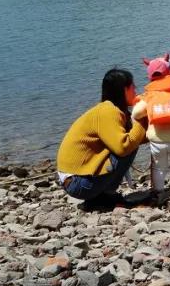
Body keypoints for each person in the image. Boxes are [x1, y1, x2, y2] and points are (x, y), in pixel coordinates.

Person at [56, 68, 146, 206]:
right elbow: (123, 147)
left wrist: (165, 133)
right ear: (123, 90)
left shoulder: (110, 109)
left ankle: (101, 197)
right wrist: (140, 120)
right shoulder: (108, 112)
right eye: (133, 87)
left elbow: (138, 137)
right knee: (129, 146)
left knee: (131, 142)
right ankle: (106, 194)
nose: (136, 91)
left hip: (75, 179)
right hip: (78, 183)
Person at [132, 53, 170, 201]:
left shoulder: (149, 97)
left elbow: (136, 113)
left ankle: (158, 191)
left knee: (159, 167)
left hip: (157, 141)